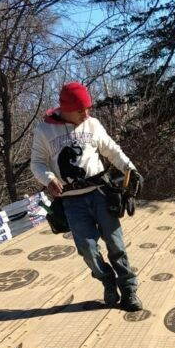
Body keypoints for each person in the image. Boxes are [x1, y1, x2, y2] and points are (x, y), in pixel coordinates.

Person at [30, 81, 143, 310]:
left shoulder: (92, 125)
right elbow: (37, 163)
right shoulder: (44, 131)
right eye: (80, 110)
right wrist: (49, 179)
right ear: (66, 108)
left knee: (115, 243)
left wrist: (131, 170)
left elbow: (112, 150)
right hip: (72, 201)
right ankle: (107, 282)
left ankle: (129, 289)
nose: (86, 113)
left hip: (100, 192)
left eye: (87, 108)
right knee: (87, 249)